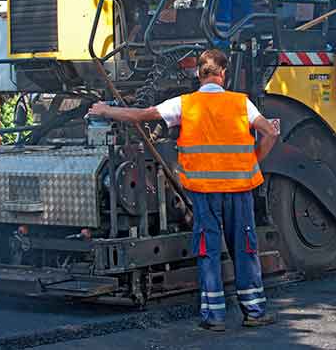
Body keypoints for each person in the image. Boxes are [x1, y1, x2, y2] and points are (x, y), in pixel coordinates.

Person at [88, 49, 277, 332]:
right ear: (223, 74)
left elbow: (140, 116)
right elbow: (271, 133)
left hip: (204, 194)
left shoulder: (184, 104)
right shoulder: (242, 104)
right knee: (245, 248)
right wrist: (253, 163)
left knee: (208, 251)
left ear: (197, 74)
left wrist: (105, 110)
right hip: (239, 189)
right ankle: (254, 312)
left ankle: (214, 317)